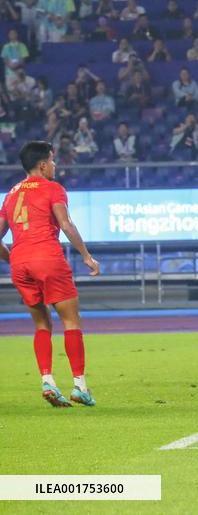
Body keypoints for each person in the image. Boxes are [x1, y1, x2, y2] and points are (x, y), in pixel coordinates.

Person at [0, 141, 101, 407]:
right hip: (47, 257)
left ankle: (47, 381)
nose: (55, 165)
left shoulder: (10, 194)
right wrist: (86, 256)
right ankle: (79, 385)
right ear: (42, 164)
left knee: (41, 324)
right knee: (71, 320)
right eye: (53, 160)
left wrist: (14, 259)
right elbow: (66, 224)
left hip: (20, 264)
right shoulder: (53, 188)